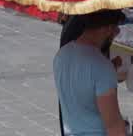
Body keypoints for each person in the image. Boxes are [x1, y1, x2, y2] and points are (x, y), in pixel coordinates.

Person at [52, 8, 127, 136]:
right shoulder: (102, 67)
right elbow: (114, 127)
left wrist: (109, 73)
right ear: (108, 29)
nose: (117, 33)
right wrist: (107, 72)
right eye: (116, 28)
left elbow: (82, 84)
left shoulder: (61, 55)